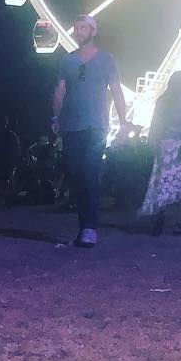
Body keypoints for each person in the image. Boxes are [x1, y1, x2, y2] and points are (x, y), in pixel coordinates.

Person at [50, 14, 130, 248]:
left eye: (83, 28)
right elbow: (59, 91)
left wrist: (123, 121)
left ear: (93, 31)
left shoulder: (106, 60)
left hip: (96, 125)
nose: (78, 31)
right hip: (71, 125)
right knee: (76, 173)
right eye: (76, 28)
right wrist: (55, 116)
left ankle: (89, 227)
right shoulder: (67, 61)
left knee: (90, 172)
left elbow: (116, 90)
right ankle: (84, 224)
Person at [138, 71, 181, 235]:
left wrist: (153, 144)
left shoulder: (162, 100)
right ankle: (179, 224)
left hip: (165, 146)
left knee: (163, 184)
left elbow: (155, 124)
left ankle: (159, 218)